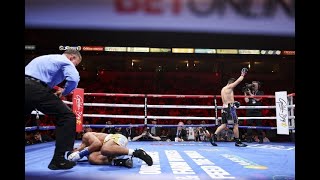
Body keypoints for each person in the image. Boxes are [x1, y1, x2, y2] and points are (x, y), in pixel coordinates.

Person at [25, 49, 82, 170]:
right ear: (72, 57)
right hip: (35, 88)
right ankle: (59, 159)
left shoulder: (45, 57)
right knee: (67, 117)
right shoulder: (65, 61)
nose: (74, 66)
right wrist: (64, 92)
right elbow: (73, 79)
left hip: (29, 86)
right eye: (76, 64)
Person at [210, 68, 248, 147]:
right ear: (231, 83)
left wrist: (234, 102)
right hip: (229, 109)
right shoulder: (229, 87)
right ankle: (238, 141)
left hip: (224, 108)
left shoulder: (223, 89)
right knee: (235, 124)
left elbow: (227, 99)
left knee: (224, 124)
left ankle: (213, 136)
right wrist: (242, 74)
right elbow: (238, 81)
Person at [67, 132, 153, 167]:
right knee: (92, 158)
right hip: (113, 149)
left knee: (104, 149)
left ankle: (137, 153)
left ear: (75, 149)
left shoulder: (86, 136)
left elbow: (97, 144)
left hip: (116, 138)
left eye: (73, 153)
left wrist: (80, 154)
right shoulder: (88, 152)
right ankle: (122, 162)